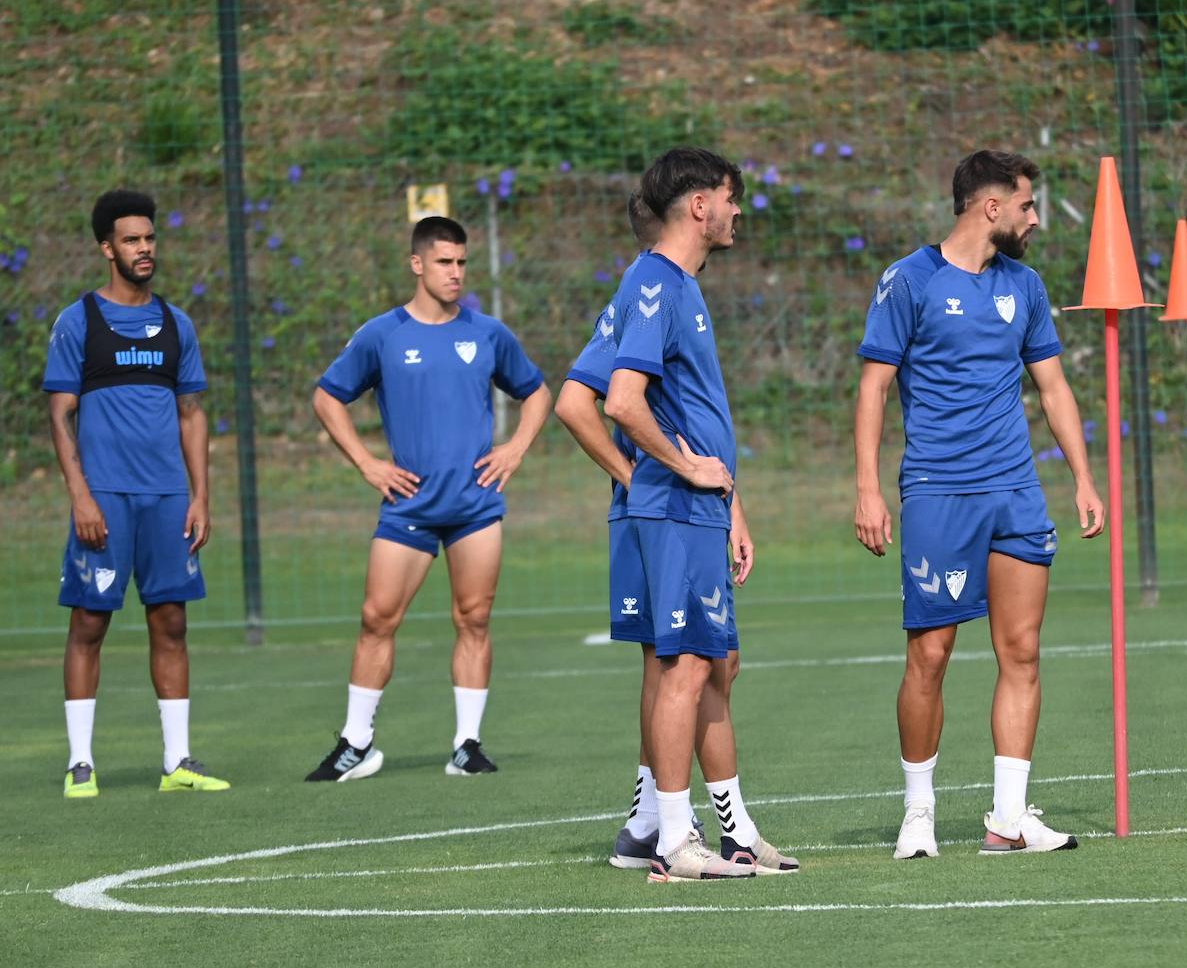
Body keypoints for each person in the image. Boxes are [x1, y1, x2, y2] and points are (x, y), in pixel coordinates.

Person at [853, 149, 1106, 858]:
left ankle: (1007, 818)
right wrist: (869, 486)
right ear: (989, 207)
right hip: (938, 491)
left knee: (1021, 651)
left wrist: (1084, 478)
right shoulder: (908, 281)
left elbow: (1052, 387)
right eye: (1027, 204)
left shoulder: (1024, 286)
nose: (1035, 218)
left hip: (1015, 492)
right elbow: (874, 387)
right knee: (930, 655)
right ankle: (918, 814)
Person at [556, 191, 796, 877]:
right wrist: (674, 471)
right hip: (674, 511)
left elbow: (576, 402)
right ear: (699, 205)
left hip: (682, 507)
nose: (739, 213)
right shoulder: (658, 283)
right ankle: (672, 840)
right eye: (730, 199)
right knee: (686, 667)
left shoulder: (658, 283)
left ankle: (675, 828)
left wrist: (728, 501)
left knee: (705, 664)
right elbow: (618, 403)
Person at [305, 216, 551, 782]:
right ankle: (356, 742)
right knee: (376, 619)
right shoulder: (383, 334)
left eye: (462, 263)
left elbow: (537, 392)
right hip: (409, 508)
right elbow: (327, 398)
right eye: (444, 262)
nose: (456, 273)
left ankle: (467, 745)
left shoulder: (487, 333)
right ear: (417, 264)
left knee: (475, 619)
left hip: (475, 507)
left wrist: (515, 449)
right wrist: (368, 463)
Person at [43, 189, 228, 799]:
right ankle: (80, 764)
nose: (144, 249)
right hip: (106, 498)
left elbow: (192, 413)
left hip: (167, 497)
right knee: (90, 622)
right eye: (131, 240)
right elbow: (60, 415)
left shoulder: (177, 324)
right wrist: (81, 496)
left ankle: (178, 763)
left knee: (171, 621)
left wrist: (200, 495)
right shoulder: (79, 323)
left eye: (149, 238)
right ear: (107, 249)